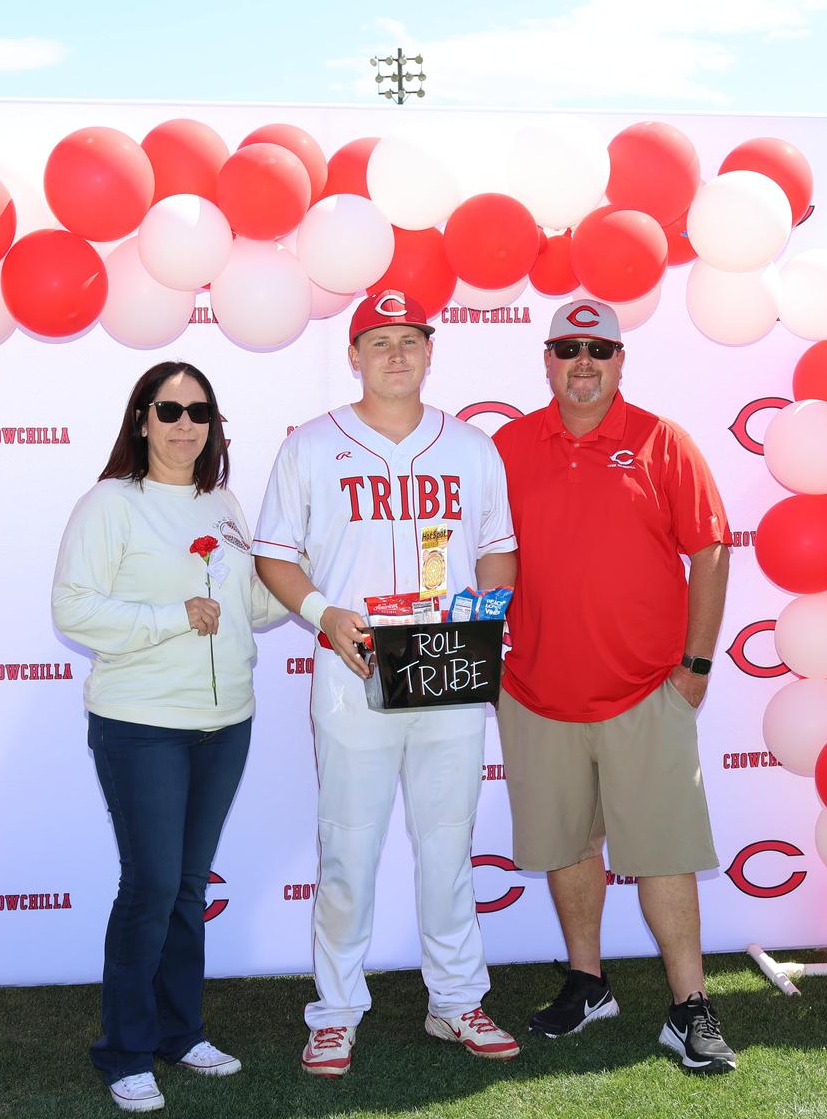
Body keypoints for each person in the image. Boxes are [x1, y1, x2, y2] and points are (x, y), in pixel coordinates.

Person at [253, 289, 521, 1077]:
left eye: (410, 339)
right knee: (349, 850)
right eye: (380, 341)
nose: (396, 353)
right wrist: (321, 612)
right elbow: (273, 554)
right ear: (355, 355)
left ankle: (457, 1000)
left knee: (448, 846)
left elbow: (498, 548)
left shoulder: (471, 446)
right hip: (355, 662)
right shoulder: (312, 444)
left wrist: (488, 614)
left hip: (446, 665)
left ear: (431, 352)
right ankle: (335, 1012)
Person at [491, 300, 739, 1073]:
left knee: (663, 851)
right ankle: (587, 981)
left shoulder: (661, 441)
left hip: (644, 692)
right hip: (535, 691)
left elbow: (712, 548)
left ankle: (689, 1005)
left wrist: (695, 667)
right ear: (547, 359)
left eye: (600, 349)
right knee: (568, 846)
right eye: (569, 349)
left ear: (622, 361)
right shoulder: (506, 445)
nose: (584, 362)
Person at [52, 360, 288, 1114]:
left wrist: (298, 574)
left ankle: (180, 1034)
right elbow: (73, 610)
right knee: (151, 887)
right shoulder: (109, 505)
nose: (185, 424)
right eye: (169, 409)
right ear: (141, 420)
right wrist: (170, 616)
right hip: (141, 726)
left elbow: (251, 607)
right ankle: (123, 1051)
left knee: (188, 886)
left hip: (225, 726)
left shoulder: (224, 502)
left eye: (199, 411)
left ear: (214, 424)